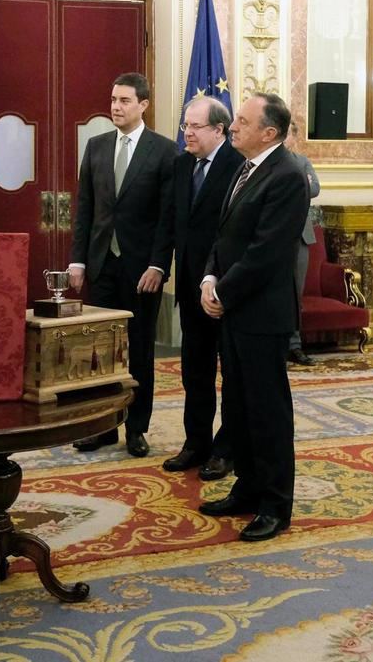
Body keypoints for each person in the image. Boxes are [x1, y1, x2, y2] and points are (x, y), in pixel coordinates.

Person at [199, 92, 308, 542]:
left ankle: (275, 505)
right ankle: (246, 488)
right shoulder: (245, 168)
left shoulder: (288, 176)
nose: (233, 126)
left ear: (269, 132)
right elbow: (225, 235)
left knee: (267, 413)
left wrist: (223, 293)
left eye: (242, 121)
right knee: (238, 407)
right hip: (233, 309)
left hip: (262, 315)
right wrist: (210, 279)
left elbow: (266, 253)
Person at [68, 72, 177, 458]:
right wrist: (77, 261)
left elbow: (167, 218)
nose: (116, 106)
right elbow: (85, 210)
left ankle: (136, 428)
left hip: (142, 271)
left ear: (143, 104)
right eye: (113, 99)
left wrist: (159, 265)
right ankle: (102, 426)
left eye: (125, 100)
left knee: (139, 351)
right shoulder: (96, 147)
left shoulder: (164, 151)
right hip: (102, 266)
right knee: (99, 352)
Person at [153, 97, 243, 480]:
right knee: (195, 370)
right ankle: (196, 443)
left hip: (227, 288)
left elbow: (233, 234)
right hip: (190, 287)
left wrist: (217, 280)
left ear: (219, 130)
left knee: (233, 375)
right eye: (184, 125)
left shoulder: (238, 166)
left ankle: (227, 450)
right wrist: (159, 264)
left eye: (195, 127)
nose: (186, 133)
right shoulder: (182, 165)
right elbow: (170, 221)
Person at [283, 121, 321, 366]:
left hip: (300, 238)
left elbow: (314, 188)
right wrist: (301, 184)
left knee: (296, 294)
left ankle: (294, 346)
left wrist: (301, 185)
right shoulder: (265, 162)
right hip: (274, 238)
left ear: (294, 138)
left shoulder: (302, 161)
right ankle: (275, 345)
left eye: (288, 133)